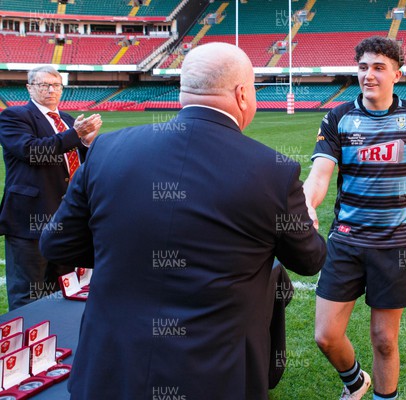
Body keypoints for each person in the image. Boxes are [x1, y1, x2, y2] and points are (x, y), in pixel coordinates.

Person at [39, 43, 327, 400]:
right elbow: (309, 259)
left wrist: (128, 253)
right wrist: (308, 222)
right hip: (214, 374)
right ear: (242, 94)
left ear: (183, 91)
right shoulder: (273, 171)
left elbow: (57, 243)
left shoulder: (107, 149)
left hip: (112, 367)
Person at [304, 36, 406, 400]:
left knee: (385, 341)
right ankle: (355, 380)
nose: (368, 75)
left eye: (378, 68)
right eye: (362, 67)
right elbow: (320, 173)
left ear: (397, 75)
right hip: (345, 240)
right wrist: (309, 202)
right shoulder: (338, 118)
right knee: (325, 336)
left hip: (395, 246)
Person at [0, 65, 102, 310]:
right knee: (28, 292)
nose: (50, 90)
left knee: (62, 289)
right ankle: (23, 347)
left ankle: (57, 343)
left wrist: (87, 144)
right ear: (29, 88)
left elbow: (79, 166)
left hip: (66, 218)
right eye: (43, 85)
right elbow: (32, 151)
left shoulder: (66, 121)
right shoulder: (14, 116)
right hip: (30, 218)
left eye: (55, 85)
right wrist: (76, 134)